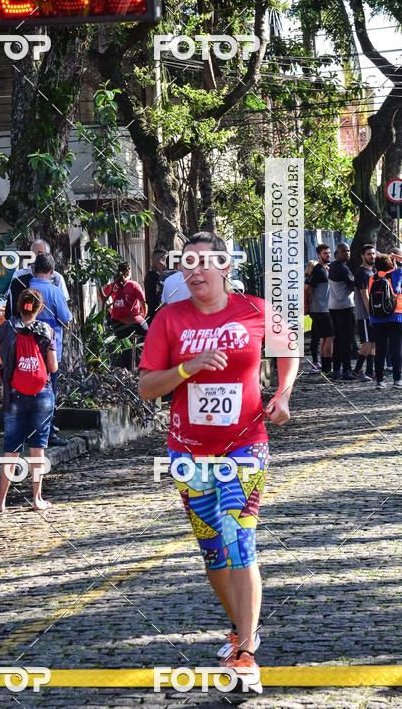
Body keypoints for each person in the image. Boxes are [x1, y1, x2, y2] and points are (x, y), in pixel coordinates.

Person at [138, 231, 298, 695]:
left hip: (245, 446)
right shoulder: (169, 319)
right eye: (186, 264)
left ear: (225, 267)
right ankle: (241, 628)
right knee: (213, 552)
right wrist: (187, 368)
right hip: (188, 451)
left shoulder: (255, 309)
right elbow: (147, 388)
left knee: (239, 539)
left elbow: (288, 348)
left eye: (203, 262)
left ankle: (245, 654)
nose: (193, 271)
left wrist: (283, 394)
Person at [0, 289, 57, 513]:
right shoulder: (46, 330)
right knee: (38, 448)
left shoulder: (6, 328)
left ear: (18, 305)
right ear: (40, 308)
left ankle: (0, 502)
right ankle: (37, 499)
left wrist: (5, 381)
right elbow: (53, 366)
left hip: (14, 393)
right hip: (42, 394)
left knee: (12, 448)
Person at [27, 253, 72, 447]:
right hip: (50, 350)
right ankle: (48, 433)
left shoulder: (25, 289)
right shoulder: (54, 291)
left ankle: (30, 431)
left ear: (34, 269)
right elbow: (66, 318)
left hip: (27, 350)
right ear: (52, 271)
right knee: (49, 391)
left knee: (29, 390)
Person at [4, 239, 69, 319]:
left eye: (40, 253)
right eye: (33, 254)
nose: (36, 257)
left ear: (49, 255)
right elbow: (11, 304)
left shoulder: (57, 277)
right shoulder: (19, 275)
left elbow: (63, 309)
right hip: (24, 323)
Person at [102, 261, 148, 371]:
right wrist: (143, 315)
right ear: (128, 272)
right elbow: (143, 303)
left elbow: (102, 294)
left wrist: (110, 309)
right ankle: (144, 362)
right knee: (149, 336)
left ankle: (127, 370)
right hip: (134, 321)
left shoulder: (112, 286)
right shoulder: (133, 285)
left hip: (117, 323)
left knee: (125, 346)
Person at [368, 254, 402, 389]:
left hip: (377, 317)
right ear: (390, 263)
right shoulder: (397, 273)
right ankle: (397, 379)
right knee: (396, 349)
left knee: (380, 350)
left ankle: (379, 381)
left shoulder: (372, 278)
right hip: (396, 316)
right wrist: (397, 257)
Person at [328, 243, 356, 380]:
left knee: (338, 340)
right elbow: (355, 284)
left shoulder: (333, 266)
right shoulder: (342, 268)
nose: (347, 253)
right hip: (345, 307)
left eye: (348, 251)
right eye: (344, 251)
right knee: (346, 340)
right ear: (337, 253)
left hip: (333, 307)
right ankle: (346, 370)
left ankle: (336, 370)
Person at [306, 244, 334, 376]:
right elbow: (307, 288)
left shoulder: (324, 269)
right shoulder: (318, 270)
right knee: (329, 337)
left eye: (329, 253)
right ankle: (327, 368)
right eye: (325, 253)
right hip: (321, 310)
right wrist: (307, 305)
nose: (328, 255)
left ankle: (325, 368)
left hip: (323, 309)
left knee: (325, 338)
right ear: (319, 255)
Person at [353, 244, 376, 381]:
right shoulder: (361, 273)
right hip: (364, 314)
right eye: (369, 254)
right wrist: (371, 314)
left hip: (372, 314)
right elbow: (364, 295)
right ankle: (357, 370)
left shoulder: (372, 272)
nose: (372, 256)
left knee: (373, 342)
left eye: (373, 253)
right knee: (367, 343)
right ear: (363, 256)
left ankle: (370, 371)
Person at [303, 259, 320, 371]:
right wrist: (306, 306)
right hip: (315, 309)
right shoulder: (310, 281)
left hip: (315, 309)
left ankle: (316, 361)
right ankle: (315, 361)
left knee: (317, 336)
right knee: (316, 336)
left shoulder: (310, 280)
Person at [144, 249, 168, 321]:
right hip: (158, 317)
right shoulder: (157, 278)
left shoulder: (150, 275)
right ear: (160, 261)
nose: (167, 263)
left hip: (153, 316)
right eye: (166, 260)